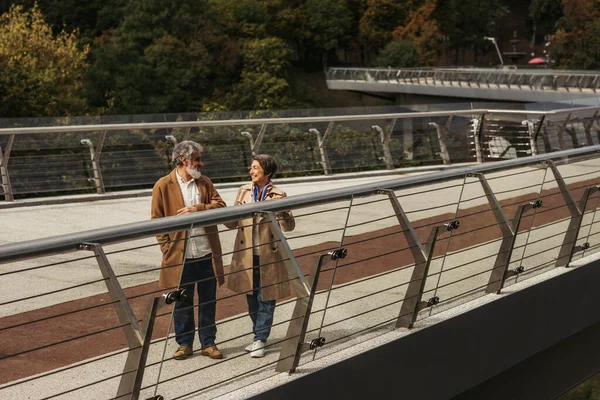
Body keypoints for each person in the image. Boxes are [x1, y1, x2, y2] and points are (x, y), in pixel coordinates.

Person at [151, 140, 226, 360]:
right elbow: (156, 220)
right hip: (179, 257)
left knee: (208, 301)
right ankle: (184, 344)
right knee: (181, 302)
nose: (201, 164)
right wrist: (167, 248)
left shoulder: (204, 183)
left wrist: (198, 209)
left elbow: (220, 206)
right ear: (185, 160)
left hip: (205, 253)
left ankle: (208, 343)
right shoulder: (163, 185)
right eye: (197, 160)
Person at [225, 154, 295, 358]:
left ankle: (260, 339)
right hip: (246, 255)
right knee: (251, 297)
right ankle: (258, 335)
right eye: (251, 167)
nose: (251, 171)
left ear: (268, 172)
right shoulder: (244, 192)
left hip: (268, 255)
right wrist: (231, 212)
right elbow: (230, 224)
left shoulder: (278, 194)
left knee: (267, 298)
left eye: (255, 167)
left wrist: (281, 212)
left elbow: (289, 227)